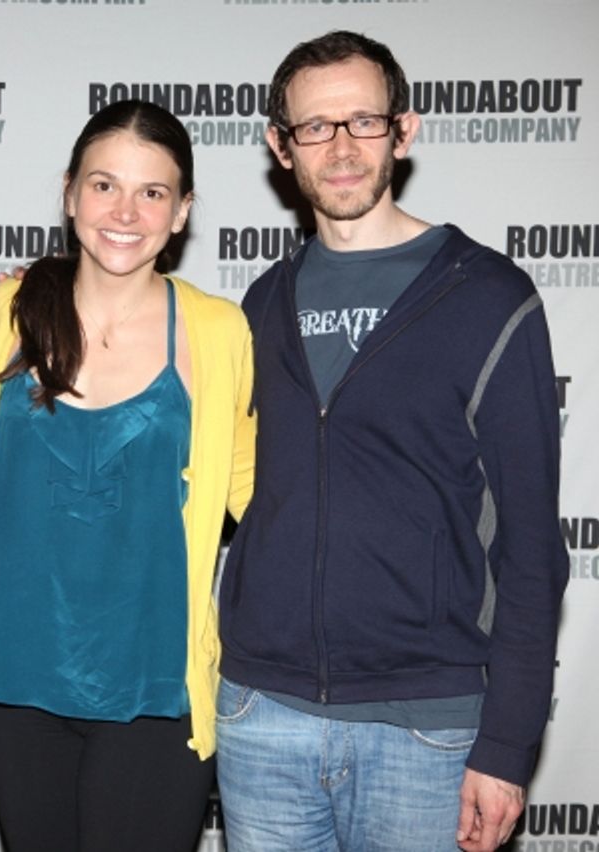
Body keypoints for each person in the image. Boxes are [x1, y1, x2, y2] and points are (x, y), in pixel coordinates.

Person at [215, 31, 568, 852]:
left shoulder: (488, 297)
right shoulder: (259, 306)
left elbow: (531, 549)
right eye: (314, 127)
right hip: (261, 718)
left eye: (363, 121)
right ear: (280, 146)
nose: (341, 147)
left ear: (404, 131)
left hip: (428, 734)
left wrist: (508, 744)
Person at [0, 100, 256, 851]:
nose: (125, 211)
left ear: (183, 211)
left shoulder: (219, 331)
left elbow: (260, 495)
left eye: (153, 192)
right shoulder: (12, 305)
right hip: (19, 665)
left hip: (155, 678)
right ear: (69, 193)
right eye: (104, 185)